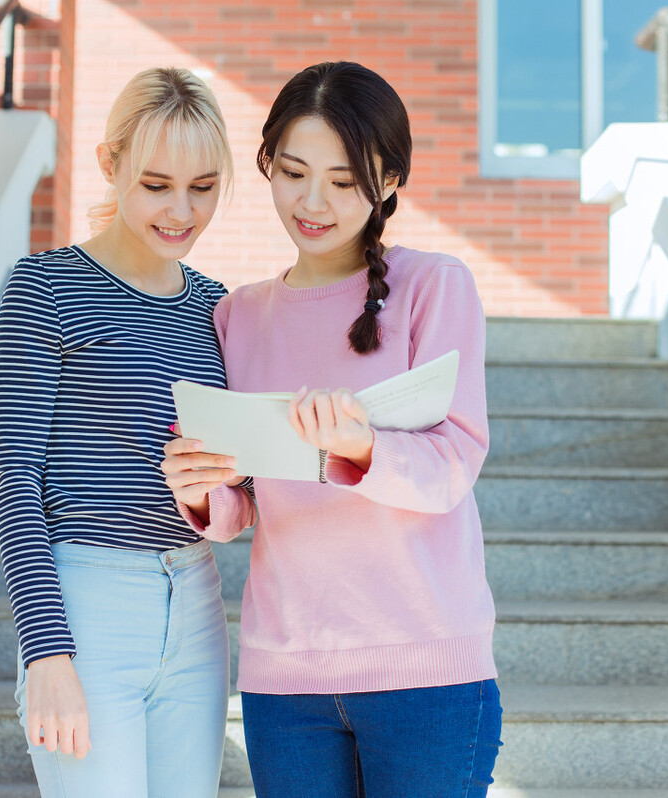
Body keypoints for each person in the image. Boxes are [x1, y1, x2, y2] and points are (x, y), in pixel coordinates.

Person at [162, 61, 502, 797]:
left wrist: (361, 448)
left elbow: (451, 466)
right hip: (284, 678)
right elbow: (245, 501)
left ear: (388, 183)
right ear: (265, 165)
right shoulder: (238, 314)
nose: (312, 202)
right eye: (292, 172)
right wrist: (202, 492)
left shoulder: (434, 286)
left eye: (344, 181)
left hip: (425, 668)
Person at [0, 66, 246, 798]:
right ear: (111, 164)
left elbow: (241, 480)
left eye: (203, 186)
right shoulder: (44, 287)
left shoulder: (218, 307)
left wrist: (220, 490)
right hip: (87, 602)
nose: (181, 210)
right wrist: (46, 654)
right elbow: (15, 482)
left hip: (195, 598)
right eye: (157, 183)